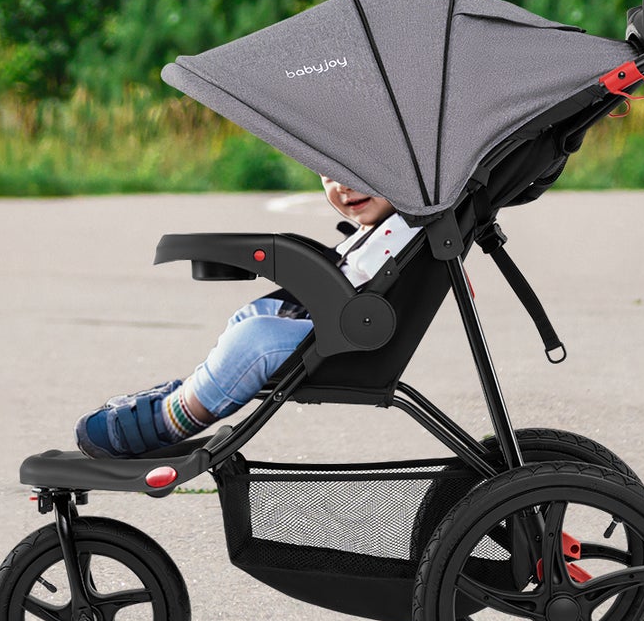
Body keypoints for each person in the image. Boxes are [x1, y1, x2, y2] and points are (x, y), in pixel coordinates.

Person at [75, 176, 420, 458]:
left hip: (355, 342)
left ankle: (172, 418)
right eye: (329, 176)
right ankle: (187, 394)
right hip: (343, 324)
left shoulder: (410, 223)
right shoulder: (382, 226)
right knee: (255, 315)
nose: (343, 186)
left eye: (354, 173)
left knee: (257, 337)